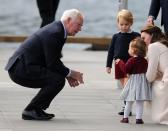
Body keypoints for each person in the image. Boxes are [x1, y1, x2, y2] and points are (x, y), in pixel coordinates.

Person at [5, 9, 84, 120]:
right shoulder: (55, 32)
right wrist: (70, 73)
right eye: (79, 25)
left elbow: (52, 60)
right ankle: (31, 110)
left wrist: (68, 74)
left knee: (57, 78)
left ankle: (36, 109)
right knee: (57, 79)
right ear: (69, 20)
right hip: (20, 69)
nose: (80, 29)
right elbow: (52, 63)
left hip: (23, 65)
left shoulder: (58, 29)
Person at [106, 9, 140, 116]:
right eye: (121, 24)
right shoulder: (116, 36)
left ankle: (127, 107)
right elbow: (111, 51)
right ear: (118, 23)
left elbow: (140, 49)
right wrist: (108, 65)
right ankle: (127, 105)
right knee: (124, 86)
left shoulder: (135, 35)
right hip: (118, 64)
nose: (124, 26)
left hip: (130, 63)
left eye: (126, 24)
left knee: (127, 86)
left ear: (131, 23)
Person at [117, 38, 152, 124]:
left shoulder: (131, 60)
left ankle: (125, 118)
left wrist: (120, 62)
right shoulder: (144, 61)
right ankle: (138, 119)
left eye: (129, 48)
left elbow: (126, 69)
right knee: (140, 102)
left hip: (133, 82)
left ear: (134, 50)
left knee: (129, 101)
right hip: (142, 83)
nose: (128, 50)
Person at [141, 24, 168, 125]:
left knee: (146, 82)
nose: (142, 41)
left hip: (166, 83)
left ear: (151, 35)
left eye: (144, 38)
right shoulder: (164, 44)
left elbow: (150, 77)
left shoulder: (154, 46)